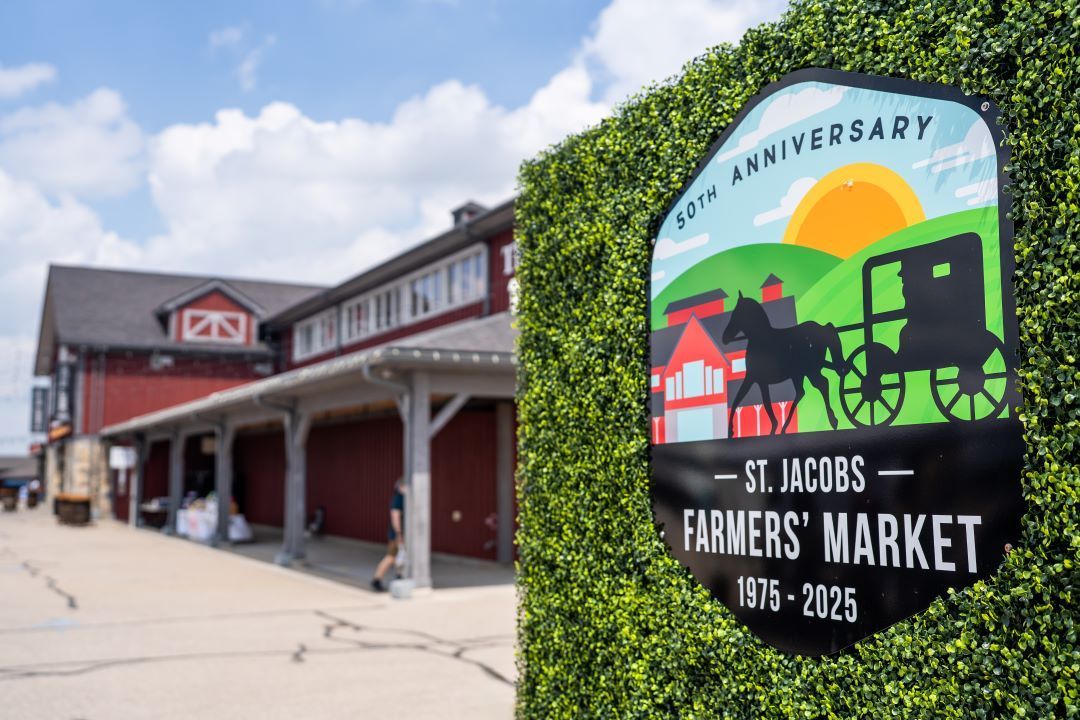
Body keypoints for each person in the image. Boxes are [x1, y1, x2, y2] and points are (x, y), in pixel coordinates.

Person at [371, 478, 406, 592]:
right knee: (391, 556)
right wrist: (399, 533)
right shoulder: (398, 499)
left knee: (400, 557)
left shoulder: (402, 498)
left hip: (400, 534)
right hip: (397, 535)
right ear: (401, 486)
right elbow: (395, 517)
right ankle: (377, 579)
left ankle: (399, 577)